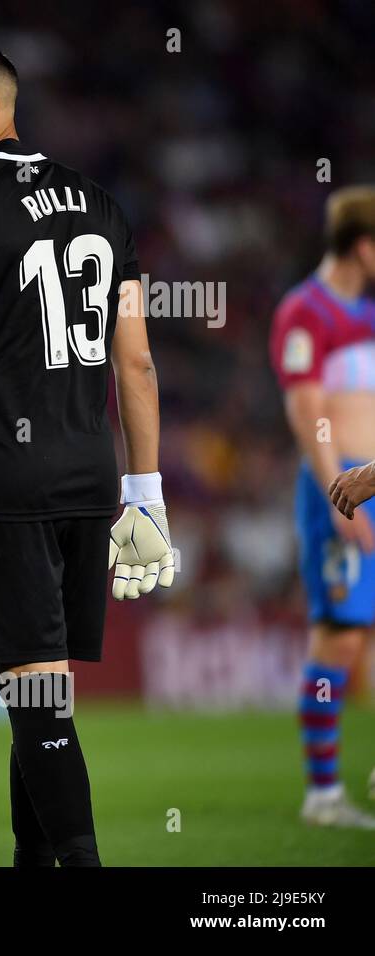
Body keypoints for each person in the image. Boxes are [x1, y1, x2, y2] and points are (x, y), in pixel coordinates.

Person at [0, 41, 174, 866]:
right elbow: (138, 363)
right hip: (89, 483)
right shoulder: (103, 205)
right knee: (38, 691)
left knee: (39, 703)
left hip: (4, 486)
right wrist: (146, 492)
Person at [271, 185, 375, 827]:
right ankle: (323, 792)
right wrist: (342, 493)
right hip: (339, 493)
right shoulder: (305, 312)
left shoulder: (366, 313)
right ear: (363, 246)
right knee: (338, 638)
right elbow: (308, 415)